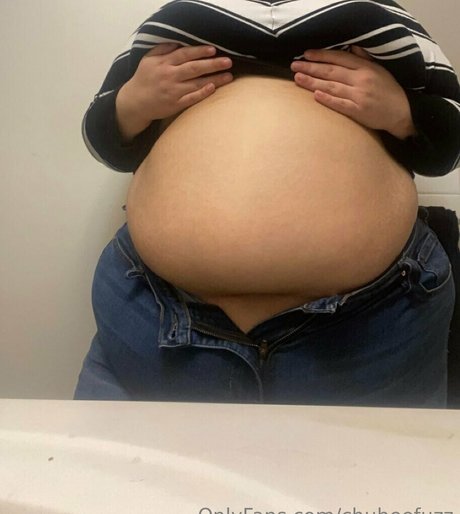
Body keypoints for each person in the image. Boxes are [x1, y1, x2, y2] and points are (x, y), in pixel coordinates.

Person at [74, 0, 460, 406]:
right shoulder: (178, 18)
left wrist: (402, 113)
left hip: (372, 328)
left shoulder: (378, 16)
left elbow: (450, 142)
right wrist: (132, 104)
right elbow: (104, 139)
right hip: (157, 315)